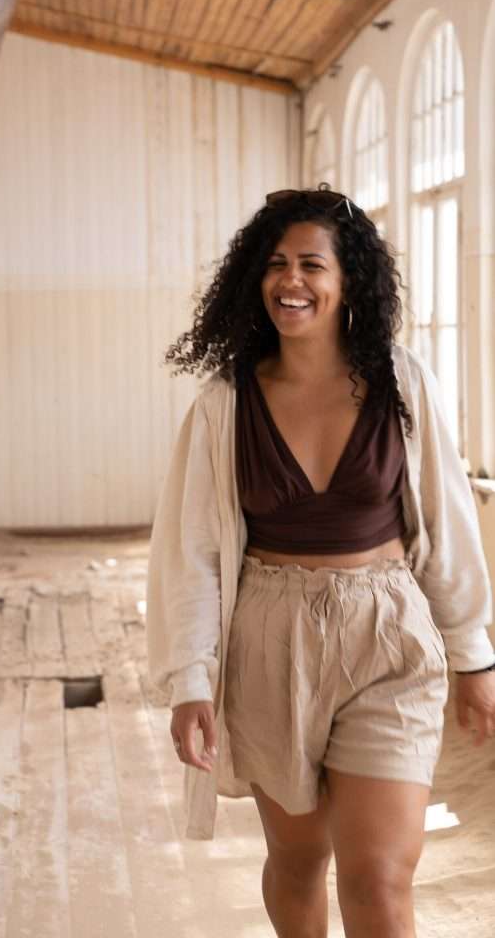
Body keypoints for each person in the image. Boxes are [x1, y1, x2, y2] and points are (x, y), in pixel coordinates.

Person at [145, 186, 495, 938]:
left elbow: (447, 520)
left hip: (388, 632)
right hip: (271, 638)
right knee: (299, 860)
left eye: (311, 264)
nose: (290, 281)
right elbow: (193, 556)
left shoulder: (400, 382)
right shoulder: (222, 403)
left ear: (347, 283)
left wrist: (473, 657)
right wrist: (188, 679)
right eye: (275, 264)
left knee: (377, 876)